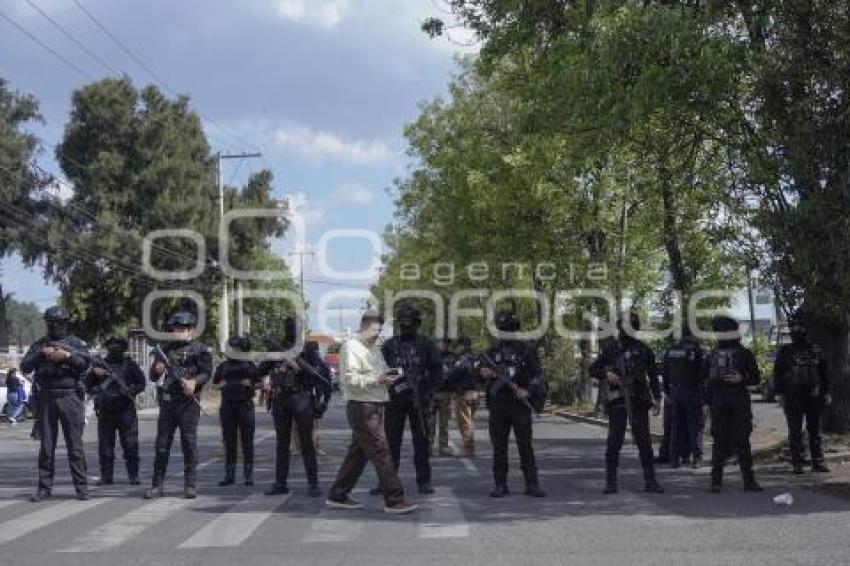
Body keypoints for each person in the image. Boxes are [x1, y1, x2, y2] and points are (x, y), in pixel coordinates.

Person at [326, 310, 418, 514]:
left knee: (358, 454)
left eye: (380, 330)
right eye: (376, 329)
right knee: (381, 451)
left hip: (375, 405)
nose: (378, 334)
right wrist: (378, 379)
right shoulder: (351, 346)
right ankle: (394, 499)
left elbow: (381, 372)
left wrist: (388, 376)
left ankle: (338, 494)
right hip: (362, 406)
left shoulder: (374, 349)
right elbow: (350, 379)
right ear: (365, 326)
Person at [21, 306, 92, 502]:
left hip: (70, 396)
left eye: (58, 323)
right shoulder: (40, 344)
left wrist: (66, 356)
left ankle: (82, 488)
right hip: (46, 397)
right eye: (51, 323)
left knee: (75, 446)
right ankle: (44, 488)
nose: (54, 327)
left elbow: (86, 364)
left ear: (65, 323)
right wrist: (42, 354)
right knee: (46, 446)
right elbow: (25, 366)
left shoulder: (75, 343)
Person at [589, 311, 664, 495]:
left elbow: (653, 376)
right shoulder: (612, 349)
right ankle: (611, 481)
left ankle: (650, 480)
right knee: (614, 442)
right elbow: (593, 369)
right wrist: (607, 375)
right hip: (618, 400)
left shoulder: (645, 350)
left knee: (644, 442)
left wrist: (657, 398)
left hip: (638, 399)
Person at [477, 310, 546, 498]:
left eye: (508, 328)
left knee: (525, 445)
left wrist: (528, 391)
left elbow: (538, 375)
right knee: (499, 446)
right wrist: (482, 373)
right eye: (502, 329)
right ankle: (500, 484)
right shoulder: (490, 353)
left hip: (519, 404)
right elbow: (475, 373)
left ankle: (532, 484)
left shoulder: (526, 351)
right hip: (498, 404)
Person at [144, 311, 213, 500]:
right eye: (175, 329)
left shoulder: (200, 349)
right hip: (168, 402)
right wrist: (157, 369)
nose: (178, 332)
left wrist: (194, 382)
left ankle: (190, 485)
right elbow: (153, 376)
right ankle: (157, 485)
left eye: (182, 329)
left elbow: (207, 373)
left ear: (190, 329)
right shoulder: (164, 349)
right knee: (161, 445)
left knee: (189, 444)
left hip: (188, 404)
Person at [261, 319, 330, 497]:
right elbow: (260, 371)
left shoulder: (307, 350)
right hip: (280, 399)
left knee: (307, 442)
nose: (292, 331)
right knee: (282, 444)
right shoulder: (276, 349)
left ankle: (313, 484)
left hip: (301, 398)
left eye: (295, 328)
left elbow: (320, 374)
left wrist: (297, 366)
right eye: (290, 328)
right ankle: (280, 483)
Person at [379, 304, 442, 495]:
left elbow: (437, 371)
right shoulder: (389, 345)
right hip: (395, 399)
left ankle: (424, 481)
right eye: (403, 324)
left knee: (421, 443)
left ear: (417, 324)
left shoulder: (426, 344)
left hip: (419, 399)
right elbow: (379, 370)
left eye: (410, 324)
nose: (406, 328)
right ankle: (388, 482)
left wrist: (429, 393)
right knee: (391, 443)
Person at [703, 315, 762, 493]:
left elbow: (756, 378)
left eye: (720, 332)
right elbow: (706, 380)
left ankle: (749, 480)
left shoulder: (744, 353)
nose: (718, 336)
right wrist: (705, 403)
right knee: (719, 440)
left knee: (742, 439)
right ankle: (716, 481)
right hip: (718, 399)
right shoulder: (712, 354)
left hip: (738, 399)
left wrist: (742, 379)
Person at [774, 314, 831, 474]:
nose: (796, 330)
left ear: (806, 328)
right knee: (795, 430)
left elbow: (824, 372)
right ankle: (797, 463)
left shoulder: (816, 349)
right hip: (792, 395)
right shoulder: (785, 351)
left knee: (815, 429)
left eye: (799, 326)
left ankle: (818, 462)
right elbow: (778, 373)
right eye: (792, 327)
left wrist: (826, 392)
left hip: (814, 394)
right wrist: (779, 393)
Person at [87, 336, 146, 486]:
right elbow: (87, 385)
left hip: (126, 409)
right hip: (105, 410)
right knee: (105, 447)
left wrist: (131, 391)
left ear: (124, 349)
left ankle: (133, 475)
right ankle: (106, 476)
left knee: (130, 445)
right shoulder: (100, 365)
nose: (115, 349)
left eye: (118, 346)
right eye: (112, 346)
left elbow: (141, 383)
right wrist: (94, 374)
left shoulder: (130, 365)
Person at [212, 335, 261, 487]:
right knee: (229, 442)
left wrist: (251, 384)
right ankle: (229, 475)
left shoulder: (249, 365)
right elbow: (214, 384)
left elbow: (260, 383)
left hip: (245, 405)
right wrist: (220, 385)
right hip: (227, 405)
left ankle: (248, 475)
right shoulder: (223, 366)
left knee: (247, 442)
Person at [661, 325, 705, 469]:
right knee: (695, 425)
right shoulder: (697, 351)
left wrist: (667, 391)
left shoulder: (671, 351)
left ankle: (675, 459)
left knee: (676, 426)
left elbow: (664, 372)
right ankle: (696, 458)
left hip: (675, 392)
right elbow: (703, 373)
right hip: (692, 391)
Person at [450, 337, 479, 457]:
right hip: (474, 392)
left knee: (465, 422)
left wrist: (449, 375)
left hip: (464, 393)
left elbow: (456, 373)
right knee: (470, 421)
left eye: (457, 346)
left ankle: (468, 450)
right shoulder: (475, 358)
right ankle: (469, 448)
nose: (455, 349)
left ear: (462, 346)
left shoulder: (464, 359)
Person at [430, 338, 455, 457]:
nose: (445, 345)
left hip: (446, 392)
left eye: (447, 343)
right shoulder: (430, 355)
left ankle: (443, 446)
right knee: (430, 422)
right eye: (442, 342)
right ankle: (428, 446)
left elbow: (457, 373)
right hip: (432, 392)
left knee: (444, 422)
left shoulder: (452, 356)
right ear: (437, 343)